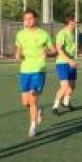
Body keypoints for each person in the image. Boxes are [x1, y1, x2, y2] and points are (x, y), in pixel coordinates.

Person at [15, 9, 56, 137]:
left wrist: (48, 53)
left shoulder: (44, 34)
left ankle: (32, 127)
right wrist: (17, 54)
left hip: (38, 70)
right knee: (25, 103)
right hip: (24, 71)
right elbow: (18, 50)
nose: (28, 21)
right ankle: (38, 111)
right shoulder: (20, 34)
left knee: (33, 99)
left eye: (30, 18)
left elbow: (54, 50)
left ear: (36, 19)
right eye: (25, 19)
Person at [52, 16, 77, 115]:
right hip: (62, 63)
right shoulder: (62, 33)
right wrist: (69, 60)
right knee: (64, 86)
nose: (76, 24)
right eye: (74, 22)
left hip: (71, 62)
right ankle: (55, 106)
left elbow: (70, 48)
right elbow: (59, 49)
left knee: (72, 86)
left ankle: (66, 102)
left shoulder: (72, 33)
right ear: (70, 23)